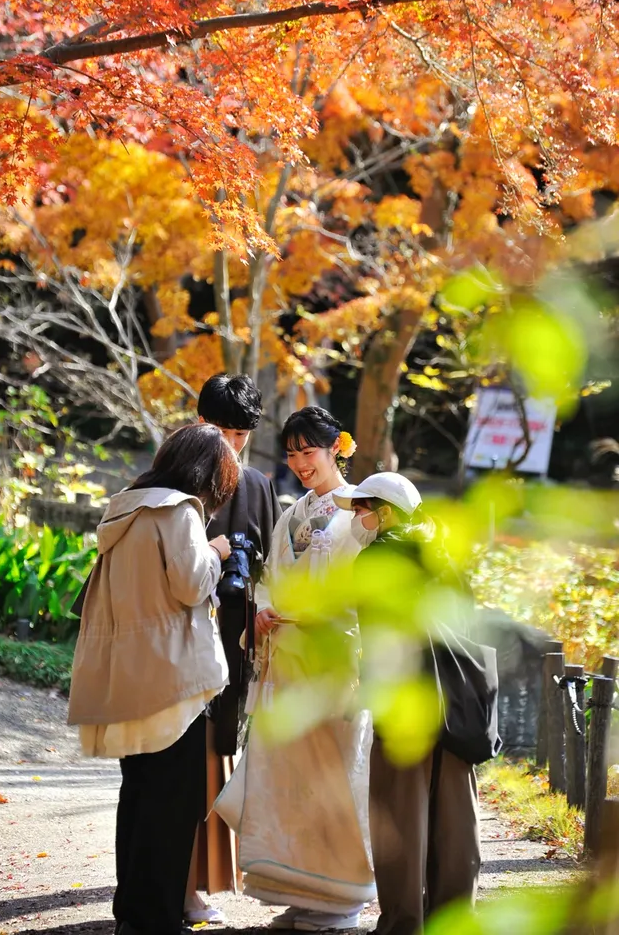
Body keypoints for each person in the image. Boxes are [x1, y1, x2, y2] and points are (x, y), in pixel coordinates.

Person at [67, 423, 240, 935]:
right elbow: (190, 585)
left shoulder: (125, 510)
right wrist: (218, 552)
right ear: (208, 472)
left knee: (139, 799)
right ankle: (157, 920)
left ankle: (133, 915)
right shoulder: (179, 511)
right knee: (173, 807)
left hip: (128, 675)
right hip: (172, 682)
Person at [215, 407, 376, 933]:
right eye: (292, 454)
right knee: (292, 778)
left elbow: (367, 589)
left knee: (333, 773)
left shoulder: (360, 512)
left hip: (332, 662)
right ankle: (304, 892)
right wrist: (261, 612)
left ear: (336, 449)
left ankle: (343, 898)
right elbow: (269, 579)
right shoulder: (292, 513)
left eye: (309, 452)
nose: (301, 463)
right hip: (286, 660)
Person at [333, 472, 481, 935]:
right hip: (456, 701)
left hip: (403, 699)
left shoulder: (376, 558)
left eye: (362, 509)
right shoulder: (445, 552)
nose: (358, 518)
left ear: (386, 512)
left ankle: (403, 922)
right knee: (454, 819)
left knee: (400, 817)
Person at [186, 373, 281, 923]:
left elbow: (270, 568)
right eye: (222, 431)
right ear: (200, 422)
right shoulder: (175, 480)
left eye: (241, 434)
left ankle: (204, 882)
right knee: (183, 764)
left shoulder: (258, 486)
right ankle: (181, 886)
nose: (232, 444)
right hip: (180, 646)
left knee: (219, 755)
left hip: (235, 643)